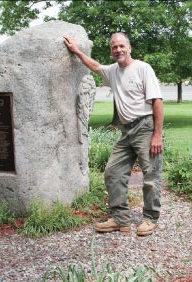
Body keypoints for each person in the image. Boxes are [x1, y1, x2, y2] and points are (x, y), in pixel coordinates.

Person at [63, 32, 164, 236]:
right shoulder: (113, 71)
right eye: (114, 47)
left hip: (145, 127)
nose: (117, 50)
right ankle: (120, 219)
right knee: (112, 172)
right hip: (126, 131)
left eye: (121, 46)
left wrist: (157, 135)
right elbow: (94, 66)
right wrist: (76, 51)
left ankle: (150, 218)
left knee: (151, 175)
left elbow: (157, 102)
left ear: (129, 48)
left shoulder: (143, 68)